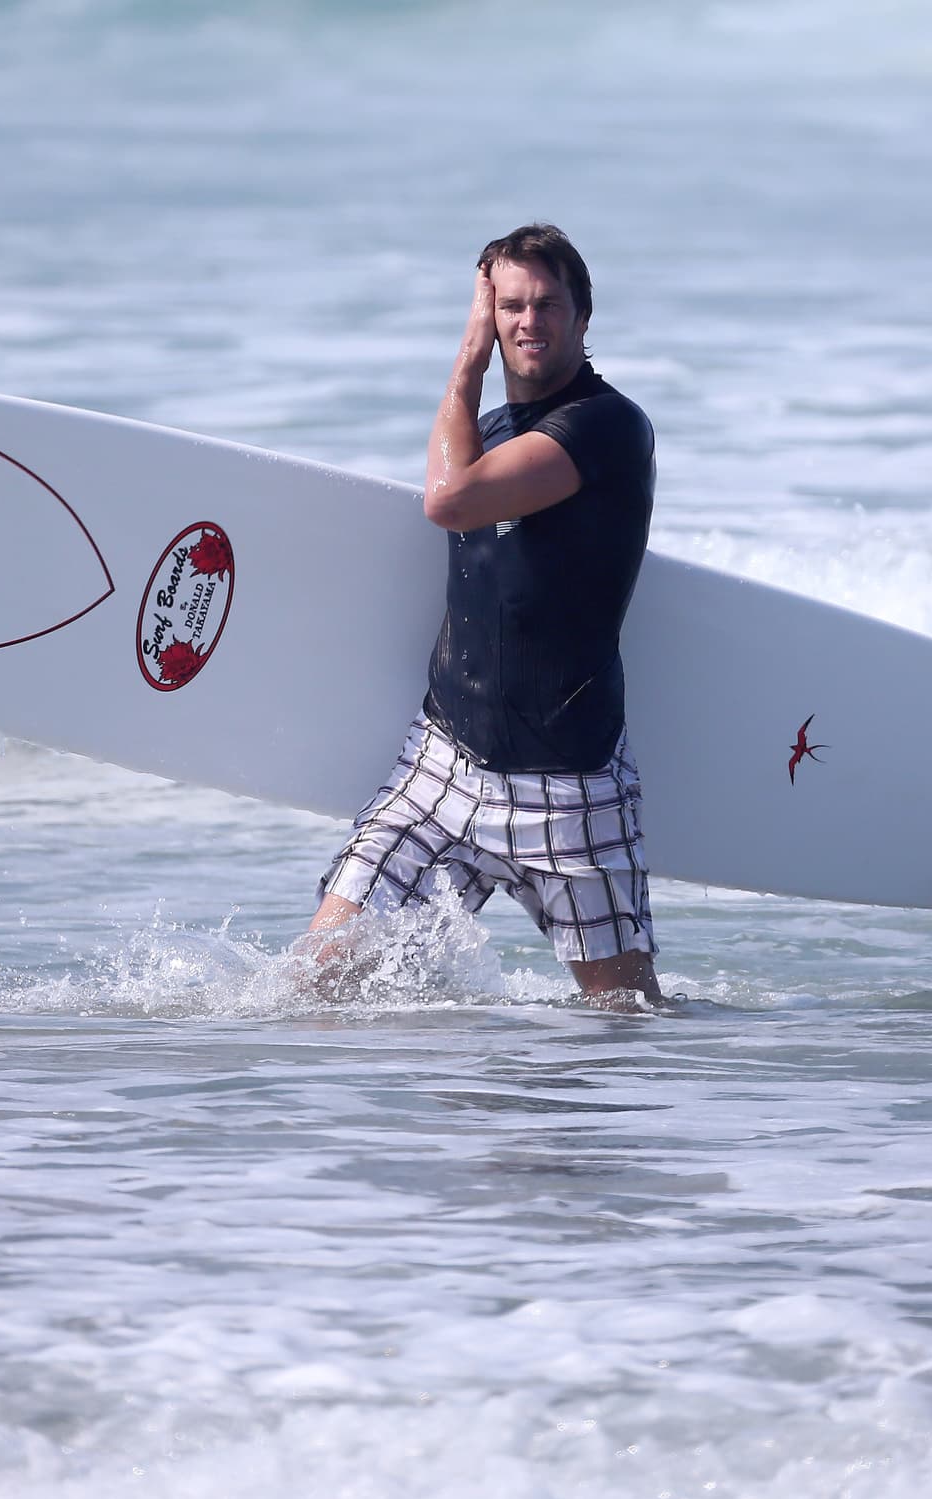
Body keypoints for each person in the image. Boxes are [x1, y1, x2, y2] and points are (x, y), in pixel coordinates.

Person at [308, 223, 662, 1010]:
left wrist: (468, 355)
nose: (527, 321)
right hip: (442, 766)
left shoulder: (606, 427)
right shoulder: (491, 434)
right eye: (508, 306)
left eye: (546, 304)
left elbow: (448, 499)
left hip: (567, 788)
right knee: (316, 982)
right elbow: (458, 480)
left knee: (626, 1018)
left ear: (582, 316)